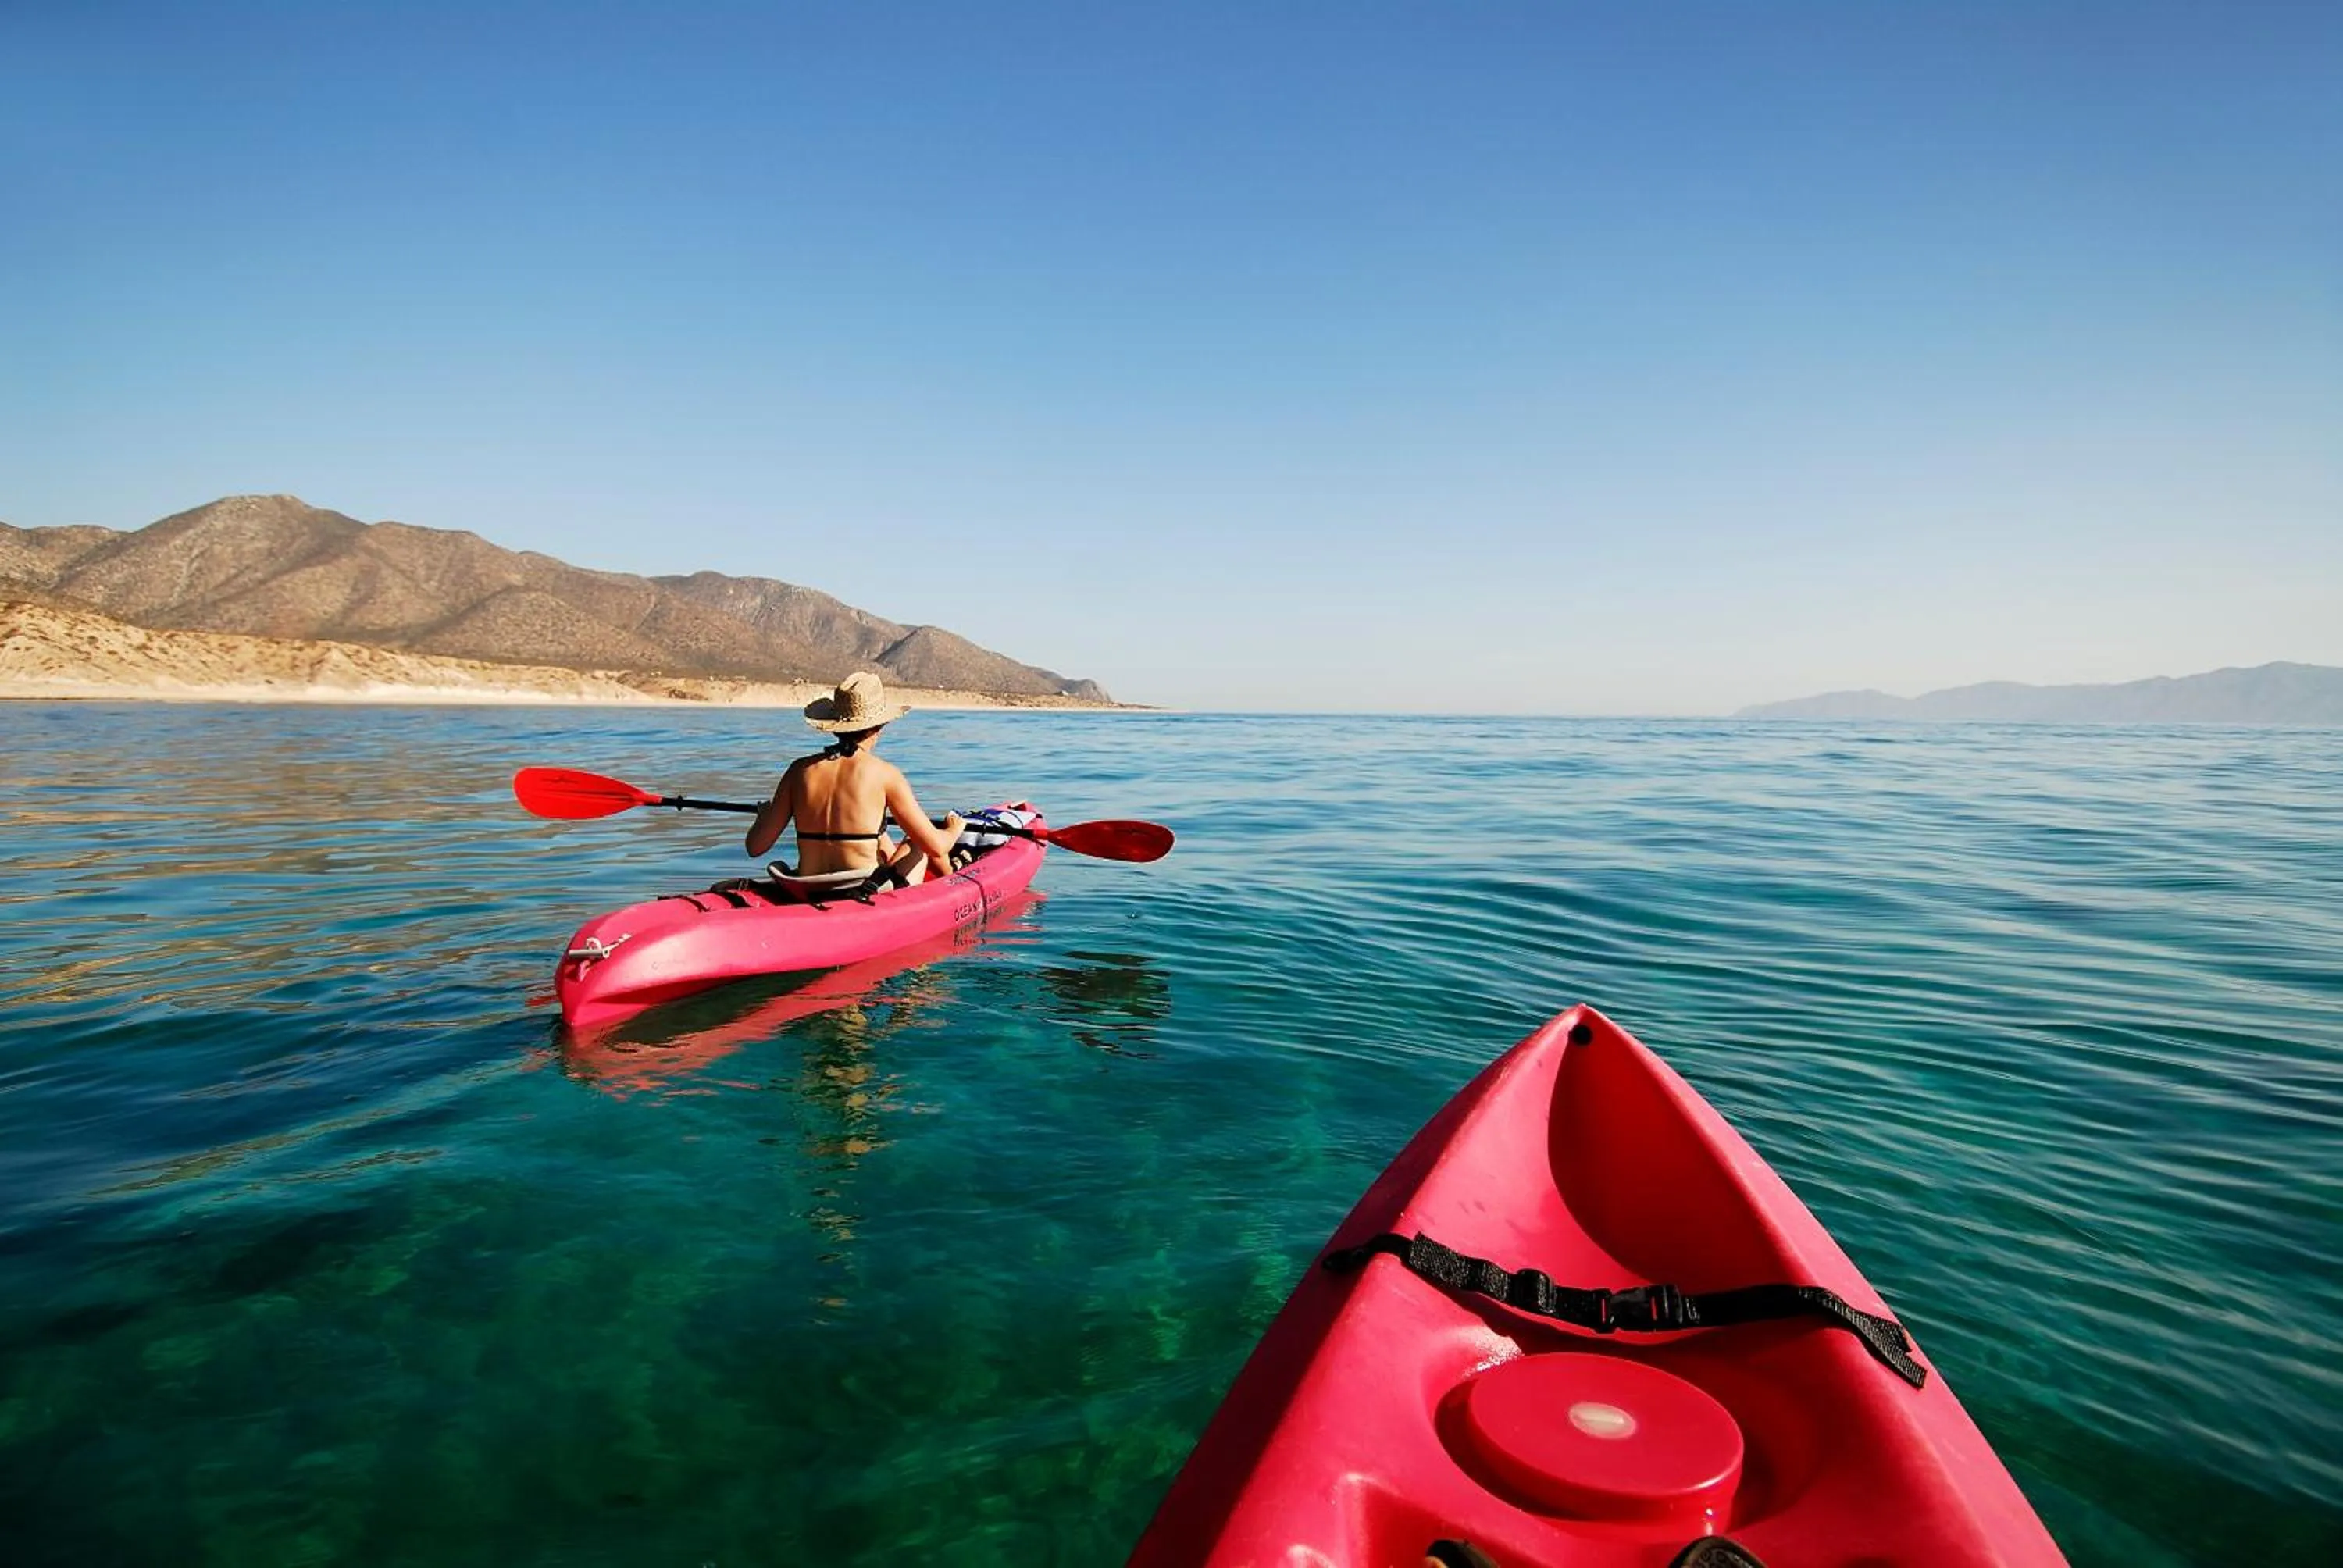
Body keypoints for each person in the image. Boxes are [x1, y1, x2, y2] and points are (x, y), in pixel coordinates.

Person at [745, 672, 965, 889]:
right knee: (916, 842)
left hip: (807, 888)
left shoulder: (798, 770)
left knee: (879, 836)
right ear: (879, 726)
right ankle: (955, 881)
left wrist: (763, 818)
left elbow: (755, 847)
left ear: (835, 728)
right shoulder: (886, 774)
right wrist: (954, 828)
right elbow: (936, 847)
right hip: (863, 890)